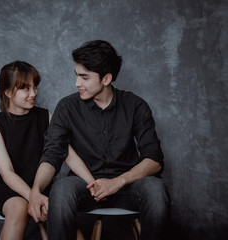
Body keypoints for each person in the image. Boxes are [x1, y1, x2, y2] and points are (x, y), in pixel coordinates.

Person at [28, 40, 171, 240]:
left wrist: (118, 182)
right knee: (61, 188)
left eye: (84, 77)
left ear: (106, 78)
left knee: (156, 189)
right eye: (77, 75)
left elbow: (154, 160)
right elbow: (52, 153)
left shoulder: (136, 106)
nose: (77, 83)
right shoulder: (67, 107)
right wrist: (35, 191)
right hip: (84, 185)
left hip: (126, 186)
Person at [0, 61, 94, 240]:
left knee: (61, 209)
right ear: (7, 92)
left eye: (34, 87)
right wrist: (33, 197)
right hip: (9, 190)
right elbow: (7, 173)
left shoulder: (46, 117)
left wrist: (92, 183)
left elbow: (68, 154)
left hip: (44, 188)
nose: (33, 93)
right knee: (19, 208)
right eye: (25, 88)